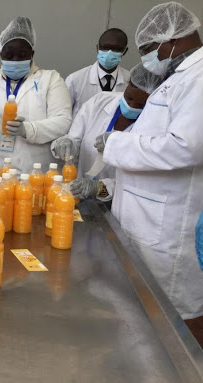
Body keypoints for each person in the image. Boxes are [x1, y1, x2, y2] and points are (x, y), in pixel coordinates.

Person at [95, 2, 203, 328]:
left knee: (177, 325)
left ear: (171, 41)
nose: (145, 60)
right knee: (148, 321)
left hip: (168, 228)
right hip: (145, 220)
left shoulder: (198, 77)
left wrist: (115, 143)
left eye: (147, 50)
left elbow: (187, 146)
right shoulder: (178, 78)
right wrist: (108, 185)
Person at [0, 16, 72, 173]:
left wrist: (27, 129)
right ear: (1, 55)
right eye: (9, 55)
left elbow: (63, 122)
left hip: (37, 175)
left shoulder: (50, 80)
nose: (15, 60)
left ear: (32, 54)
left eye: (22, 55)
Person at [51, 64, 163, 201]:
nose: (131, 107)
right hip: (76, 195)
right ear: (127, 84)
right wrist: (67, 145)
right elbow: (75, 140)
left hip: (116, 204)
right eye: (129, 98)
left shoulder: (154, 127)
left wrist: (99, 188)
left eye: (141, 105)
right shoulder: (100, 101)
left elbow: (135, 182)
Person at [66, 28, 130, 117]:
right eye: (105, 47)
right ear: (97, 48)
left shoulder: (130, 81)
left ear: (124, 51)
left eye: (116, 49)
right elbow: (64, 115)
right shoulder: (75, 79)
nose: (109, 53)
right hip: (80, 130)